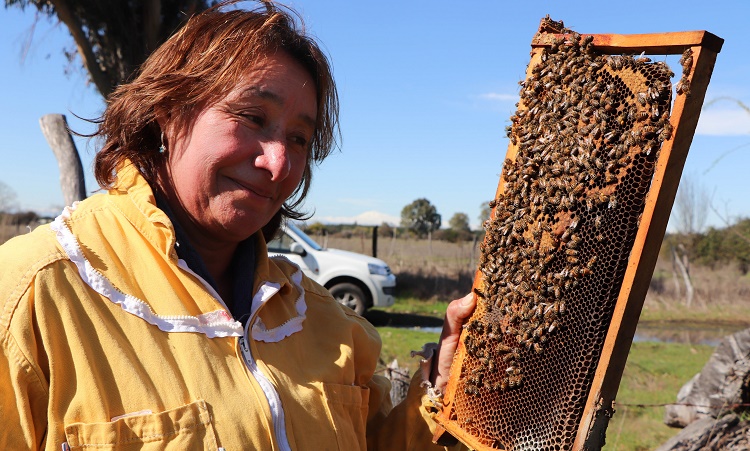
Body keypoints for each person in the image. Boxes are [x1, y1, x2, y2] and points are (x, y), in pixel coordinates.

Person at [0, 2, 476, 450]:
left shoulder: (326, 322)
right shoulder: (33, 293)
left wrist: (442, 389)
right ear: (168, 112)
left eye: (298, 138)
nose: (278, 162)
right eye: (251, 117)